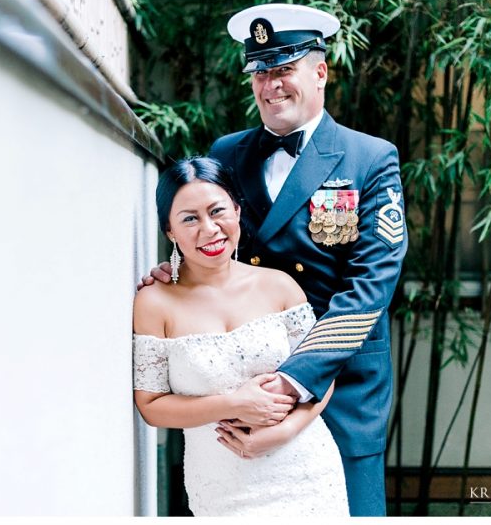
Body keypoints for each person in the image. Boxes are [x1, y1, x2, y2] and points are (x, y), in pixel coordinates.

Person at [139, 3, 407, 516]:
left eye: (284, 68)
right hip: (239, 388)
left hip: (338, 381)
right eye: (261, 71)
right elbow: (211, 234)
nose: (271, 85)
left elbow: (371, 284)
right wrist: (175, 273)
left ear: (321, 70)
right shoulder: (230, 151)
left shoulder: (368, 157)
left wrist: (290, 384)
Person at [132, 156, 349, 516]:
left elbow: (322, 377)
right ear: (169, 230)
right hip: (221, 486)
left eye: (217, 211)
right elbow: (151, 406)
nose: (208, 229)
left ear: (236, 210)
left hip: (306, 471)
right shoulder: (154, 302)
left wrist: (283, 430)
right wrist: (234, 404)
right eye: (189, 218)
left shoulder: (279, 286)